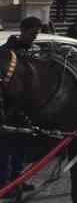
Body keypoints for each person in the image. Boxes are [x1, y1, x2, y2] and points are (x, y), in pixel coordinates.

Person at [1, 17, 42, 189]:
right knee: (5, 150)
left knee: (22, 148)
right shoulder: (5, 52)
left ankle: (18, 180)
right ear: (23, 30)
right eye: (32, 33)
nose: (34, 38)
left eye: (37, 34)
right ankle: (4, 185)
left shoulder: (36, 50)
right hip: (9, 108)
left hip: (28, 108)